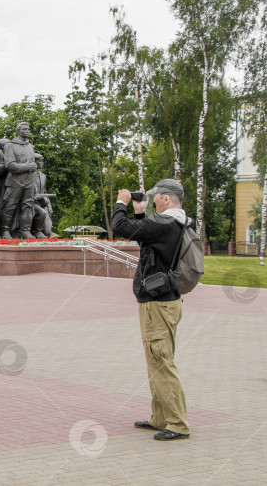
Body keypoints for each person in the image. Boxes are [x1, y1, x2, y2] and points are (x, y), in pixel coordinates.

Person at [111, 178, 191, 441]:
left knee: (161, 361)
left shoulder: (165, 223)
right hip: (165, 300)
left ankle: (177, 423)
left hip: (158, 303)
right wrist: (140, 212)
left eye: (157, 197)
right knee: (155, 360)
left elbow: (120, 227)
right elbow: (146, 242)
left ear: (167, 199)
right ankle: (160, 417)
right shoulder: (175, 223)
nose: (154, 199)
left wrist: (120, 204)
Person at [0, 122, 36, 239]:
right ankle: (5, 230)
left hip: (29, 180)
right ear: (18, 131)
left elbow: (32, 162)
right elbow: (9, 165)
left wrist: (34, 166)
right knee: (10, 206)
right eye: (24, 129)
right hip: (15, 181)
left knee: (28, 206)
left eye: (28, 129)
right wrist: (26, 167)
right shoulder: (10, 146)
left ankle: (25, 231)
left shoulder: (30, 146)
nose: (27, 131)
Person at [30, 153, 52, 238]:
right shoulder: (28, 175)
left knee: (47, 232)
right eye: (40, 160)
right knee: (42, 213)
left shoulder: (43, 176)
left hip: (43, 203)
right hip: (32, 202)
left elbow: (45, 192)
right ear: (34, 162)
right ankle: (36, 231)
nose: (42, 162)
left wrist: (49, 206)